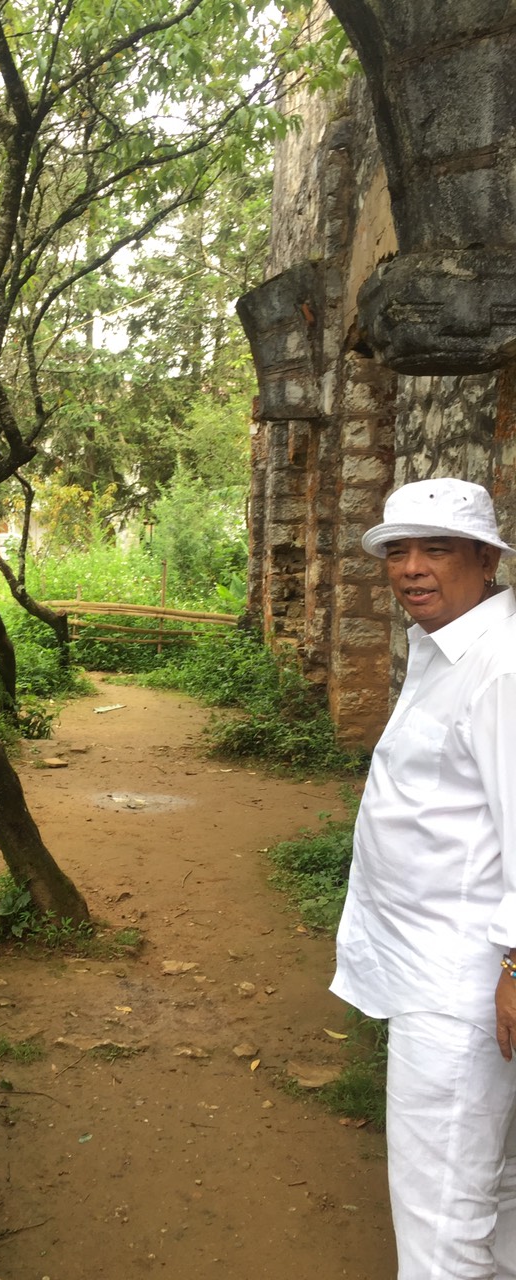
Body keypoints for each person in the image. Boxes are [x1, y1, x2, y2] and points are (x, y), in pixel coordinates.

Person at [331, 477, 516, 1279]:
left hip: (463, 984)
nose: (411, 569)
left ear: (485, 559)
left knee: (441, 1221)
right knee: (490, 1191)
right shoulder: (448, 647)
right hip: (434, 967)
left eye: (436, 549)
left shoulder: (501, 667)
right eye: (398, 551)